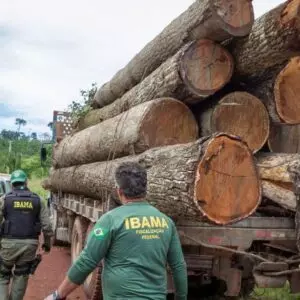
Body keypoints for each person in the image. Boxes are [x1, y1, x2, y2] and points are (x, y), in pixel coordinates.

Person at [45, 162, 188, 300]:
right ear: (145, 190)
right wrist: (181, 297)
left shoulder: (110, 221)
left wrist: (59, 294)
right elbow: (178, 266)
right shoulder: (166, 222)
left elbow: (86, 262)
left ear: (119, 191)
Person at [0, 169, 54, 300]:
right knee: (21, 274)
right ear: (26, 182)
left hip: (8, 244)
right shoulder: (38, 200)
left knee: (2, 274)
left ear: (12, 184)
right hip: (30, 245)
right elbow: (47, 226)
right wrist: (47, 245)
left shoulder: (4, 199)